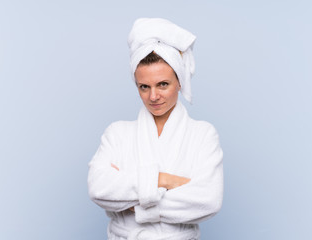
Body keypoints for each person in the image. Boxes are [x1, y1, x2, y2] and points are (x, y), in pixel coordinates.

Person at [87, 18, 224, 240]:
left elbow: (208, 200)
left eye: (163, 84)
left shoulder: (202, 134)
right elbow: (98, 189)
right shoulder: (117, 134)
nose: (153, 96)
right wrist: (165, 180)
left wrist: (136, 206)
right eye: (144, 87)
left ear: (179, 82)